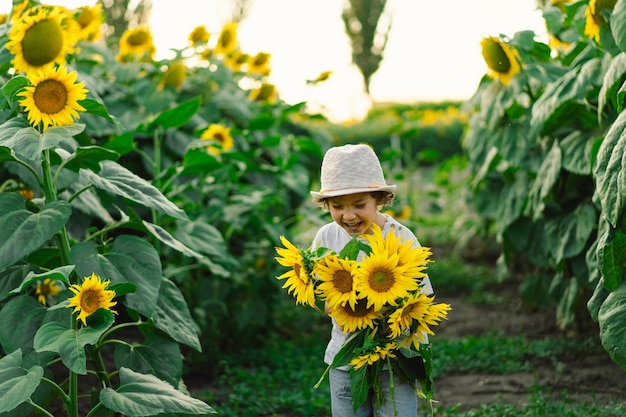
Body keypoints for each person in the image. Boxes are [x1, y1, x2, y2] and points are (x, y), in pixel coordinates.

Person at [310, 143, 434, 417]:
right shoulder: (326, 238)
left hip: (395, 357)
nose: (349, 215)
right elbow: (319, 291)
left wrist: (388, 307)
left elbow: (421, 299)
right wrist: (334, 304)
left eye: (359, 205)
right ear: (326, 205)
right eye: (338, 206)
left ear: (378, 199)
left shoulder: (401, 238)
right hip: (345, 357)